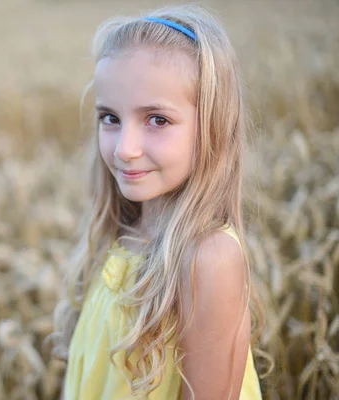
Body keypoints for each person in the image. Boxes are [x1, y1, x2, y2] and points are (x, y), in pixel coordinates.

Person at [48, 4, 265, 400]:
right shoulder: (121, 237)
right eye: (110, 118)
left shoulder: (206, 257)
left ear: (212, 126)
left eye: (157, 120)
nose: (125, 150)